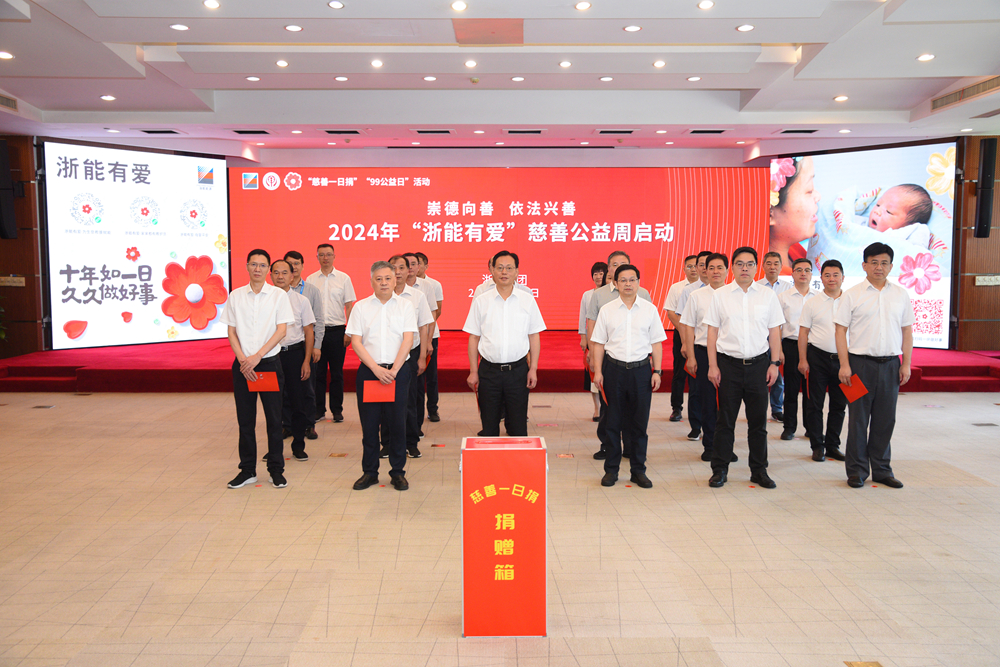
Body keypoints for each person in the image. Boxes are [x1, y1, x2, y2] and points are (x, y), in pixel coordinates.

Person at [835, 242, 913, 489]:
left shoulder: (900, 294)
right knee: (858, 419)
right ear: (864, 265)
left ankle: (881, 470)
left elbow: (907, 331)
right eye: (874, 262)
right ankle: (857, 471)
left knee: (885, 419)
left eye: (884, 263)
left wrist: (906, 364)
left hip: (890, 365)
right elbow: (840, 331)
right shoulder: (852, 294)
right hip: (859, 365)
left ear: (891, 266)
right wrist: (844, 365)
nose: (879, 267)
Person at [705, 247, 784, 489]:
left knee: (758, 423)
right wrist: (712, 365)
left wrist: (774, 363)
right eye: (740, 264)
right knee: (725, 421)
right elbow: (712, 332)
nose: (745, 268)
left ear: (756, 267)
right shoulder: (721, 295)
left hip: (759, 366)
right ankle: (719, 470)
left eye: (749, 264)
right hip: (728, 365)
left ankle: (759, 471)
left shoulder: (767, 296)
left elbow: (774, 331)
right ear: (733, 267)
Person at [221, 249, 294, 490]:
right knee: (245, 421)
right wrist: (244, 360)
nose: (258, 269)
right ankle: (247, 470)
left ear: (268, 270)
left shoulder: (278, 296)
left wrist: (257, 356)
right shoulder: (236, 296)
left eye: (262, 265)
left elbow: (281, 331)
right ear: (247, 266)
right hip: (243, 366)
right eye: (254, 264)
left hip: (268, 364)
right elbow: (231, 331)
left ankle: (276, 470)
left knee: (274, 420)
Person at [591, 264, 665, 489]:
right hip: (614, 370)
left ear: (639, 282)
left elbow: (657, 343)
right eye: (623, 280)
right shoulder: (607, 310)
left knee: (639, 424)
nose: (628, 284)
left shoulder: (649, 309)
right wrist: (598, 371)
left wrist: (657, 371)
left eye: (632, 279)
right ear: (615, 283)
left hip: (641, 371)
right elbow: (599, 343)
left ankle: (638, 471)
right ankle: (611, 471)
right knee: (613, 422)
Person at [347, 261, 418, 491]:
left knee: (397, 424)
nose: (384, 283)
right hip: (370, 372)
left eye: (388, 278)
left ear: (395, 280)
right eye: (379, 279)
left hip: (398, 372)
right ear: (371, 281)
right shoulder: (360, 307)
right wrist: (376, 370)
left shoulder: (405, 306)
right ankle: (370, 472)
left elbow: (408, 340)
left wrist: (394, 370)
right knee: (369, 425)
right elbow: (356, 342)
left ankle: (398, 472)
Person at [464, 250, 546, 437]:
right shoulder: (481, 301)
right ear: (492, 270)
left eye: (509, 268)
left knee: (518, 427)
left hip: (518, 371)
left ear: (517, 272)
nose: (504, 272)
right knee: (489, 427)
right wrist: (473, 371)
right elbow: (474, 337)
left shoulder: (527, 299)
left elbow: (534, 336)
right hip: (488, 372)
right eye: (500, 268)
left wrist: (533, 368)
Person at [586, 250, 653, 459]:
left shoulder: (643, 294)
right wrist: (592, 354)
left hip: (636, 360)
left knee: (634, 409)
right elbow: (592, 324)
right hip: (609, 358)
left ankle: (631, 447)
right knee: (610, 408)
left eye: (623, 263)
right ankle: (607, 445)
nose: (618, 267)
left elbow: (650, 330)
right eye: (614, 264)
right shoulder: (599, 294)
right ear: (609, 269)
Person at [679, 253, 736, 464]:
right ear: (705, 270)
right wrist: (691, 356)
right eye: (711, 268)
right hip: (703, 353)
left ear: (727, 270)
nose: (715, 272)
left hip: (729, 355)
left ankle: (726, 447)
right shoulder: (696, 296)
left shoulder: (735, 295)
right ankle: (710, 446)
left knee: (728, 404)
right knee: (708, 402)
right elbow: (688, 326)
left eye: (720, 267)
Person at [381, 255, 434, 460]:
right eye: (393, 268)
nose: (398, 272)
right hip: (387, 355)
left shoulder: (417, 296)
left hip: (411, 355)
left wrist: (421, 357)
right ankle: (387, 443)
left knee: (409, 400)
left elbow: (423, 327)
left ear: (409, 270)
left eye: (401, 268)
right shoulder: (380, 295)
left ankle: (411, 442)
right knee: (386, 401)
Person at [798, 259, 848, 462]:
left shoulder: (851, 301)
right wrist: (803, 360)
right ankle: (817, 446)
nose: (831, 279)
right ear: (821, 278)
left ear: (843, 278)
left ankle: (833, 445)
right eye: (827, 275)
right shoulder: (812, 302)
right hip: (817, 358)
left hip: (844, 361)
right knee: (814, 404)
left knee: (839, 405)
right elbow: (803, 333)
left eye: (836, 275)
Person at [270, 259, 315, 462]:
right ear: (271, 275)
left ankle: (298, 445)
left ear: (292, 275)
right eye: (276, 272)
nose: (280, 276)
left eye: (284, 273)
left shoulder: (301, 301)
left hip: (294, 355)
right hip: (271, 355)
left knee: (298, 402)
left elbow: (308, 331)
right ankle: (274, 449)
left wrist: (306, 360)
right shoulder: (265, 300)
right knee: (273, 403)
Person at [307, 244, 356, 424]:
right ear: (317, 257)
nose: (325, 258)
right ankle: (318, 410)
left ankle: (337, 410)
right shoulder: (311, 279)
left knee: (337, 374)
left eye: (328, 254)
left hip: (337, 331)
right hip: (317, 332)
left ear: (334, 256)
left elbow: (349, 306)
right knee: (318, 374)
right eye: (321, 255)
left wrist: (349, 332)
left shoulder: (344, 278)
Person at [282, 250, 323, 441]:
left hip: (303, 347)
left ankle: (309, 425)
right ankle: (287, 425)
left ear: (301, 266)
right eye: (289, 264)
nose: (293, 267)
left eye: (296, 263)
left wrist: (316, 346)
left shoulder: (310, 291)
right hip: (279, 350)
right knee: (284, 391)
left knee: (306, 389)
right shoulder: (274, 294)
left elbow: (317, 322)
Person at [777, 258, 817, 441]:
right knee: (791, 390)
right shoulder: (783, 297)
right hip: (791, 346)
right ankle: (789, 427)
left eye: (807, 270)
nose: (803, 273)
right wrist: (779, 350)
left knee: (811, 391)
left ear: (811, 274)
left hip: (813, 348)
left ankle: (811, 427)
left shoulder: (818, 297)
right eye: (799, 270)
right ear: (792, 273)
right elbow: (777, 327)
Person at [674, 250, 712, 440]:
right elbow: (684, 321)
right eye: (702, 264)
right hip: (698, 346)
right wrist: (686, 346)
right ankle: (696, 426)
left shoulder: (726, 291)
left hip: (721, 349)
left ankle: (715, 429)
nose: (705, 268)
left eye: (709, 265)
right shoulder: (690, 291)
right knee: (696, 389)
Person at [403, 252, 439, 434]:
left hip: (418, 344)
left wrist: (428, 343)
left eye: (413, 264)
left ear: (419, 266)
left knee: (418, 387)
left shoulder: (426, 287)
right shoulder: (392, 288)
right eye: (406, 264)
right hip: (398, 346)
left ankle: (416, 427)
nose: (410, 267)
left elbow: (431, 316)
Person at [662, 254, 699, 422]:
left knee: (698, 373)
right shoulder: (676, 288)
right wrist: (685, 335)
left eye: (696, 266)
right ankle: (676, 408)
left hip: (702, 336)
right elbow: (671, 313)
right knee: (679, 371)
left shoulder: (707, 288)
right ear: (684, 269)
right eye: (689, 266)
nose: (693, 269)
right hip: (681, 334)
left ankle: (697, 409)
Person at [769, 155, 820, 270]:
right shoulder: (777, 279)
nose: (818, 196)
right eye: (809, 190)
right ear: (769, 213)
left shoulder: (795, 250)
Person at [757, 251, 792, 422]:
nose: (772, 267)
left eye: (776, 263)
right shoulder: (755, 287)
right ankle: (758, 410)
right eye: (769, 263)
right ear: (763, 265)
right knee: (759, 376)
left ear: (781, 266)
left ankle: (777, 408)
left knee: (777, 375)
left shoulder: (788, 288)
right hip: (759, 337)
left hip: (780, 337)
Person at [414, 251, 444, 422]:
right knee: (416, 377)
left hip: (430, 334)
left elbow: (436, 310)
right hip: (411, 337)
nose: (415, 267)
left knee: (431, 375)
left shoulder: (433, 285)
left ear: (425, 266)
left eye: (418, 263)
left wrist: (427, 334)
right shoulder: (401, 284)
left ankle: (433, 409)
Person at [858, 184, 934, 248]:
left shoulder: (906, 235)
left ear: (908, 225)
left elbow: (917, 253)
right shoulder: (861, 223)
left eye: (888, 211)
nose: (877, 211)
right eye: (878, 205)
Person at [579, 261, 608, 421]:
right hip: (592, 339)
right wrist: (583, 337)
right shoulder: (587, 295)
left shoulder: (609, 294)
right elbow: (582, 317)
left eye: (601, 273)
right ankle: (597, 409)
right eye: (595, 274)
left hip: (606, 339)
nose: (598, 276)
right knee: (592, 373)